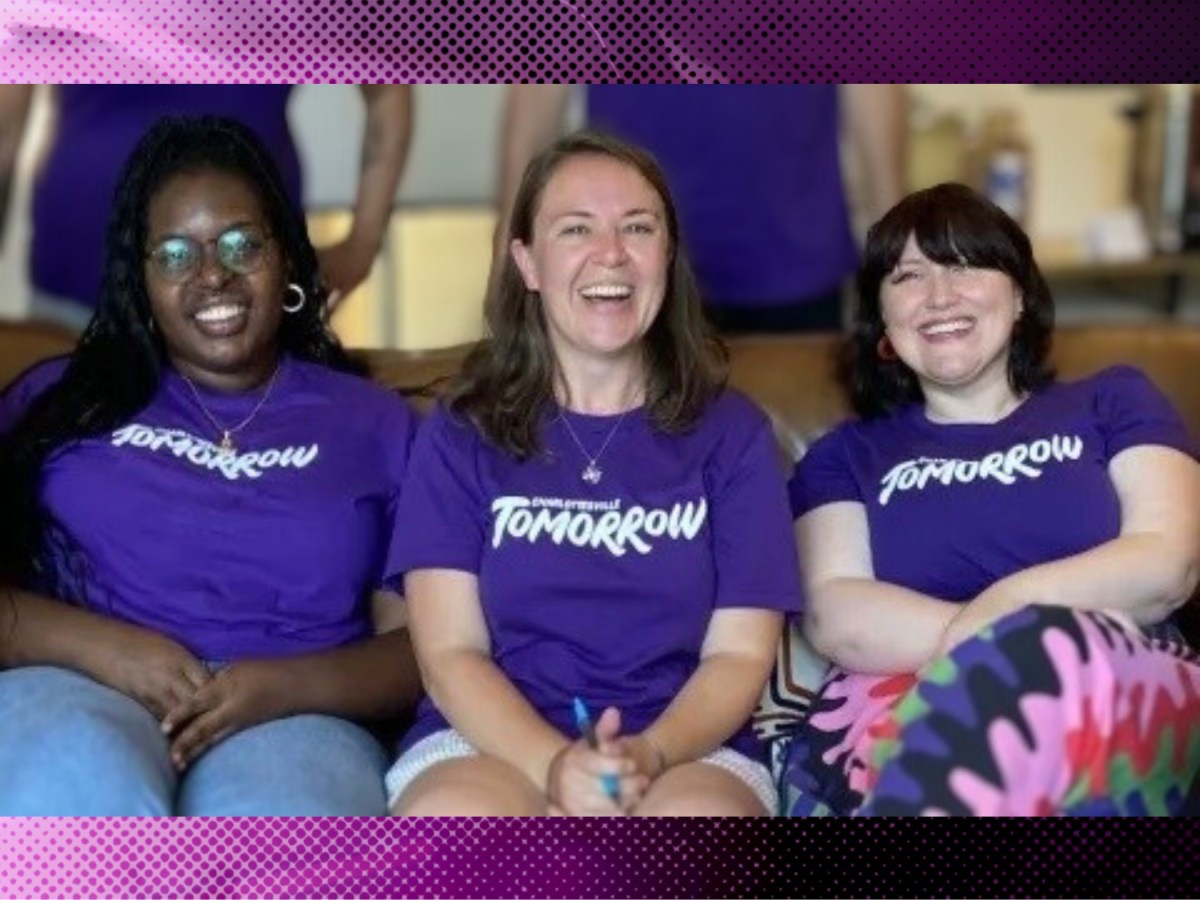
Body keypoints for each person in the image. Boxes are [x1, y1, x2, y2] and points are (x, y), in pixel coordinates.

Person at [0, 115, 422, 816]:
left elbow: (426, 648)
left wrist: (282, 688)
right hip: (78, 685)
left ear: (285, 254)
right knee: (70, 786)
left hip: (300, 718)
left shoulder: (374, 422)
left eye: (240, 244)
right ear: (140, 279)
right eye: (173, 254)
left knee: (280, 836)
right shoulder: (60, 401)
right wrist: (101, 647)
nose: (212, 275)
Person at [386, 131, 800, 817]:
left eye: (638, 228)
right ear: (527, 262)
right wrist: (556, 768)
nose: (611, 253)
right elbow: (450, 652)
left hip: (687, 750)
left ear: (666, 256)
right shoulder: (462, 431)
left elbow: (737, 657)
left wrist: (650, 754)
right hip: (488, 745)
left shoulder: (735, 436)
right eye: (576, 229)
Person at [782, 182, 1200, 816]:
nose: (939, 295)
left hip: (1121, 683)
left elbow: (1167, 564)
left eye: (964, 264)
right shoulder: (845, 456)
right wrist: (1006, 650)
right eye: (908, 277)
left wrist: (1010, 611)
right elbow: (837, 614)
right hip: (899, 700)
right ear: (884, 326)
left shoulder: (1113, 400)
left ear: (1021, 295)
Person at [497, 85, 906, 333]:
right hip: (632, 259)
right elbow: (533, 114)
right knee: (626, 462)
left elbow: (872, 88)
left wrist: (900, 258)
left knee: (797, 458)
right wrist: (504, 265)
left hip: (792, 260)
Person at [0, 85, 412, 330]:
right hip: (79, 275)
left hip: (243, 288)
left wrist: (363, 243)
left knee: (244, 462)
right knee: (69, 465)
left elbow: (387, 90)